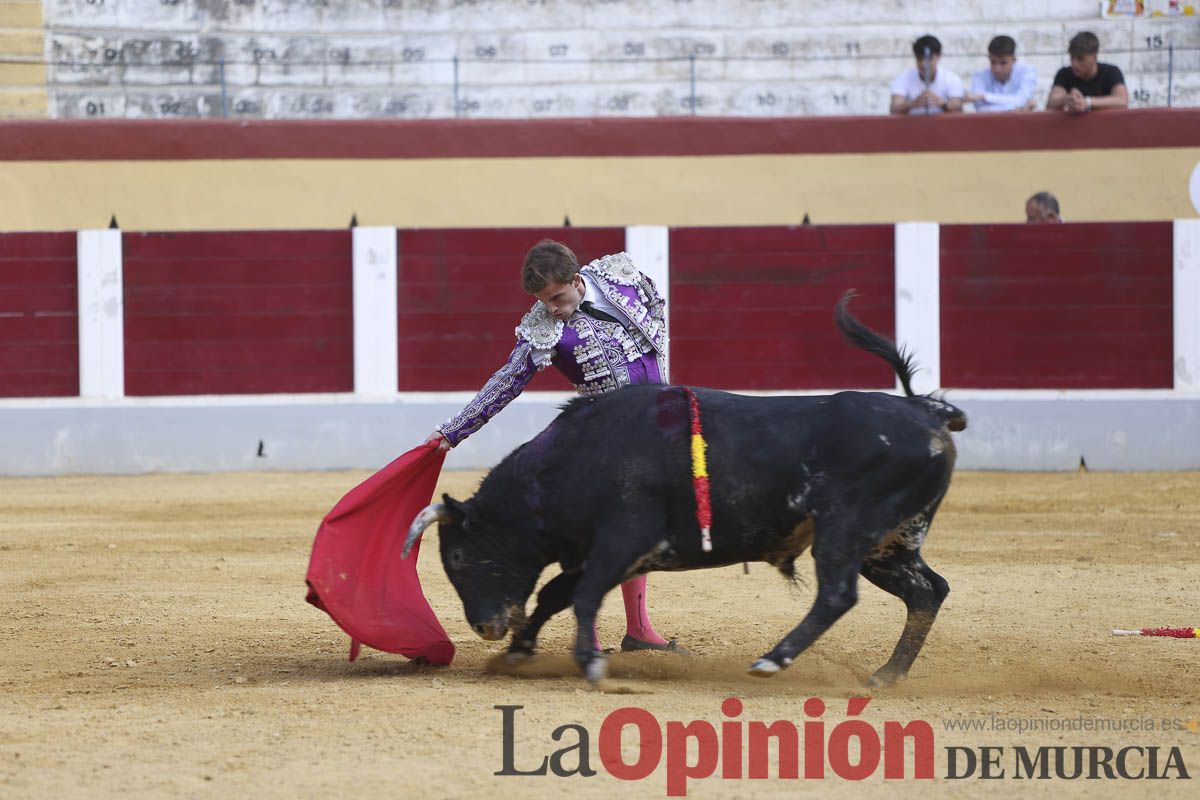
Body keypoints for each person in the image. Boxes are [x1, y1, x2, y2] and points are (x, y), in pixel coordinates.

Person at [424, 239, 682, 654]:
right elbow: (506, 382)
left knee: (643, 528)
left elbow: (656, 314)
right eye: (544, 302)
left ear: (577, 280)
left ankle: (639, 629)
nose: (553, 309)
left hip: (656, 429)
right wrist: (452, 431)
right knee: (594, 535)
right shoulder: (544, 329)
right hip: (602, 440)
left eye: (558, 298)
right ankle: (590, 638)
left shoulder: (624, 278)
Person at [1046, 31, 1129, 113]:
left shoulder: (1111, 72)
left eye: (1080, 59)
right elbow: (1051, 102)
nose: (1074, 64)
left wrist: (1088, 102)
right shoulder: (1064, 74)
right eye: (1072, 58)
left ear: (1094, 57)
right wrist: (1068, 99)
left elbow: (1122, 101)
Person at [889, 35, 964, 115]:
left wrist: (943, 104)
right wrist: (913, 103)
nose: (924, 64)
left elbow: (958, 108)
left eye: (929, 59)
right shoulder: (903, 79)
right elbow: (894, 109)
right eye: (919, 58)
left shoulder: (951, 79)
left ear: (938, 57)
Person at [966, 35, 1038, 112]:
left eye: (1003, 63)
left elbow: (1022, 100)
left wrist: (984, 97)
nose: (997, 69)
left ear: (1014, 60)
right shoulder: (979, 75)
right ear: (989, 58)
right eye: (993, 62)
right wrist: (1017, 109)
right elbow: (981, 109)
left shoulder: (1027, 72)